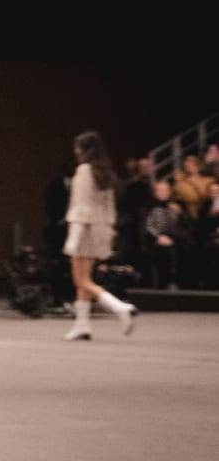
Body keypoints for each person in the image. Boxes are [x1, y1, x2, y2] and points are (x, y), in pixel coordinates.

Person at [62, 131, 138, 341]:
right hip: (100, 229)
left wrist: (73, 237)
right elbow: (108, 207)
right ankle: (82, 324)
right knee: (86, 278)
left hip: (84, 229)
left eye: (78, 147)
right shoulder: (105, 173)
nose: (75, 151)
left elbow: (81, 205)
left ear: (84, 150)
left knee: (81, 280)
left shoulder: (84, 171)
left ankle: (119, 307)